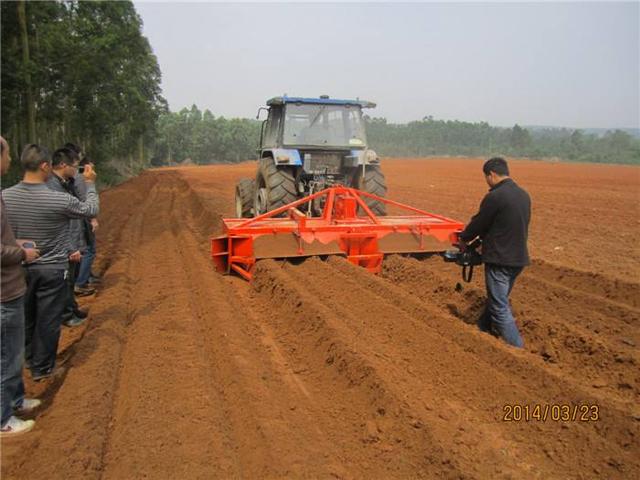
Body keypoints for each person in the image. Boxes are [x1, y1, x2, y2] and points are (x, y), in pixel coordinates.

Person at [2, 144, 99, 381]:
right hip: (53, 268)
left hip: (19, 269)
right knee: (48, 320)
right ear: (45, 166)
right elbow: (91, 209)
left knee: (27, 317)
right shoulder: (57, 199)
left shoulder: (5, 196)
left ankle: (27, 358)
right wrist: (89, 183)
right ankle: (43, 368)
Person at [458, 157, 531, 348]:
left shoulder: (495, 197)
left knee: (499, 307)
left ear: (491, 175)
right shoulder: (524, 195)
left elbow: (480, 222)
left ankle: (518, 350)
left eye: (486, 177)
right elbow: (504, 226)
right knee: (497, 299)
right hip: (519, 258)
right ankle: (482, 328)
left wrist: (464, 238)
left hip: (500, 260)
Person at [0, 136, 41, 436]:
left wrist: (16, 244)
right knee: (7, 355)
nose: (10, 159)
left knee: (13, 353)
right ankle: (3, 419)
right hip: (4, 290)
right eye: (7, 153)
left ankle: (16, 399)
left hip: (12, 286)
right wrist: (22, 253)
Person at [46, 147, 89, 327]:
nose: (77, 170)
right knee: (65, 280)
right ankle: (66, 314)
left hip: (71, 240)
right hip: (63, 244)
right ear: (63, 164)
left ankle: (71, 307)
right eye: (75, 165)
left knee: (70, 279)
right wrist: (71, 247)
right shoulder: (53, 187)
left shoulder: (64, 183)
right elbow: (60, 223)